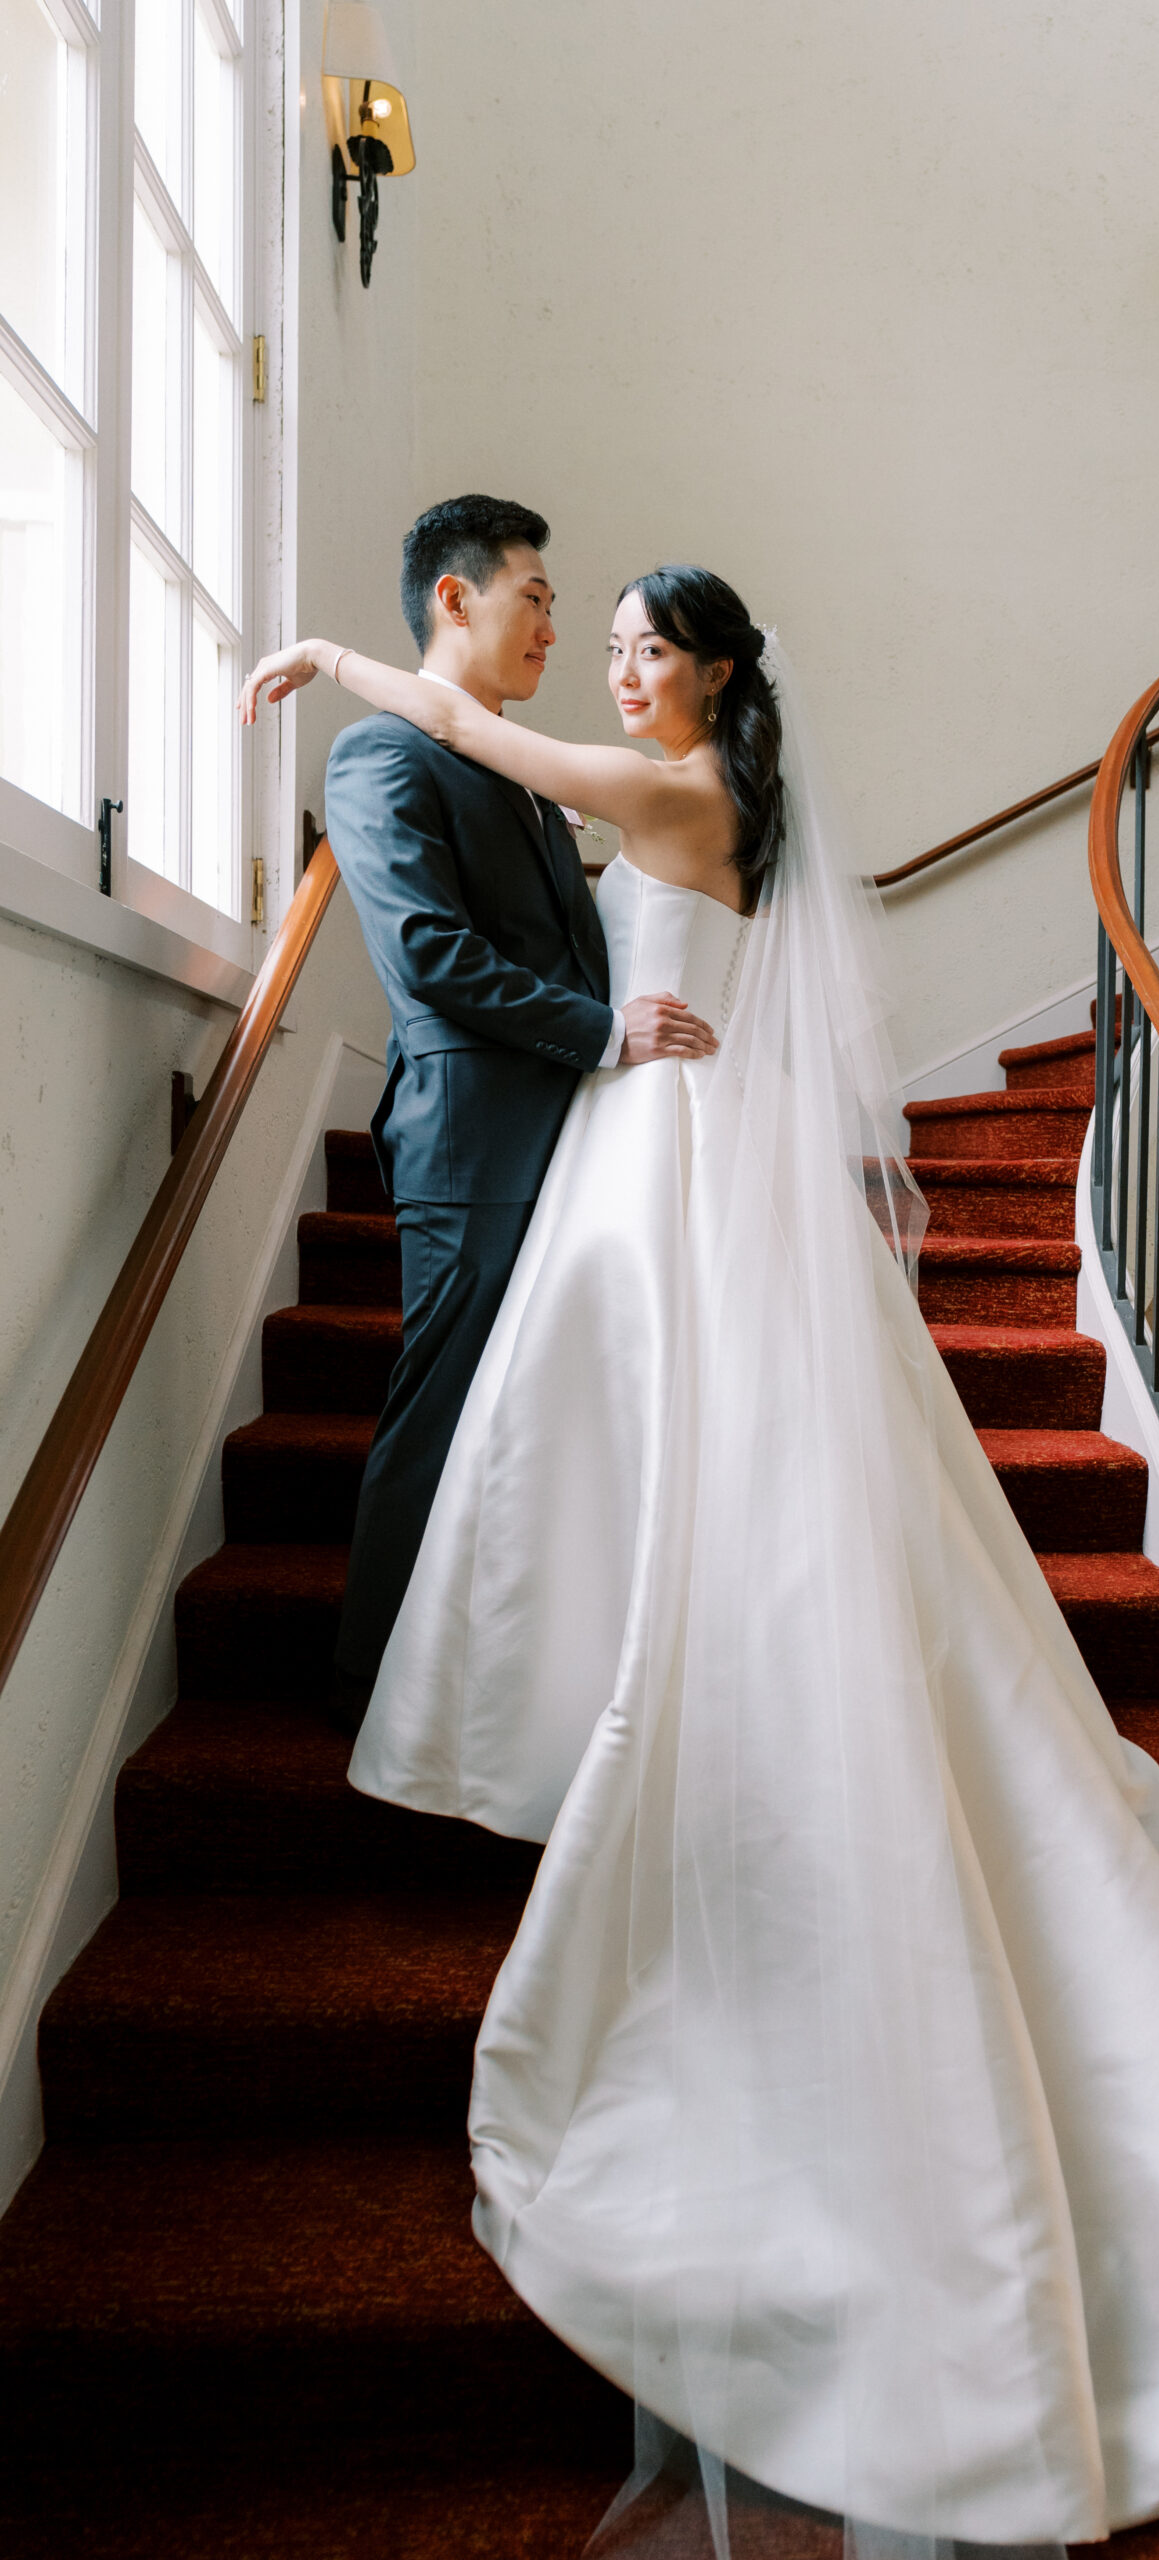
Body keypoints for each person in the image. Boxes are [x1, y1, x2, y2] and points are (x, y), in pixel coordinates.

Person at [240, 570, 1159, 2552]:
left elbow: (493, 744)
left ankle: (619, 1709)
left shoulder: (674, 794)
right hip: (660, 1131)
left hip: (672, 1158)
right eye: (604, 641)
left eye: (647, 647)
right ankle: (591, 1690)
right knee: (617, 1443)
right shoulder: (698, 800)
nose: (617, 667)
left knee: (665, 1457)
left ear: (718, 673)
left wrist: (344, 661)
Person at [311, 498, 716, 1727]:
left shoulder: (522, 774)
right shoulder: (383, 756)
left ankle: (500, 1688)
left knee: (528, 1430)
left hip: (580, 1142)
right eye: (536, 598)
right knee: (442, 1416)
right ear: (455, 596)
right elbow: (428, 954)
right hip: (474, 1141)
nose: (555, 626)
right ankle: (367, 1689)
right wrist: (602, 1032)